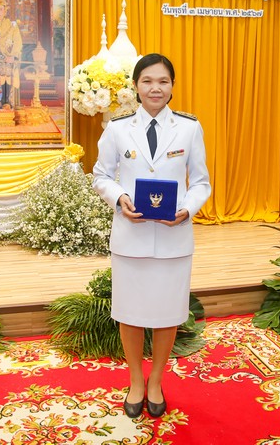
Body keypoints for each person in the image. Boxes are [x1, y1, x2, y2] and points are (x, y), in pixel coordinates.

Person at [92, 53, 211, 419]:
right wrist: (120, 198)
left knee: (167, 314)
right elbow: (101, 175)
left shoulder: (189, 128)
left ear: (172, 86)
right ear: (135, 86)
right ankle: (135, 381)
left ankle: (156, 380)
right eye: (147, 81)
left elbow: (201, 182)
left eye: (162, 81)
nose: (155, 88)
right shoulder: (118, 128)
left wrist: (187, 209)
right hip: (131, 238)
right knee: (129, 313)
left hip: (174, 240)